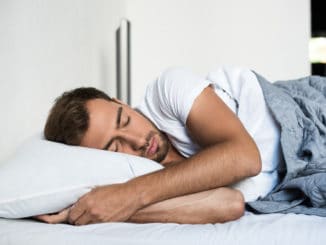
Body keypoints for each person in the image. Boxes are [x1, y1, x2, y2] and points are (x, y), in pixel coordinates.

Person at [36, 66, 284, 225]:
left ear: (120, 101)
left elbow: (245, 158)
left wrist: (130, 195)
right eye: (115, 148)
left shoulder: (166, 91)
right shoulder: (128, 177)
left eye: (125, 120)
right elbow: (229, 203)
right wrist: (110, 208)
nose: (137, 140)